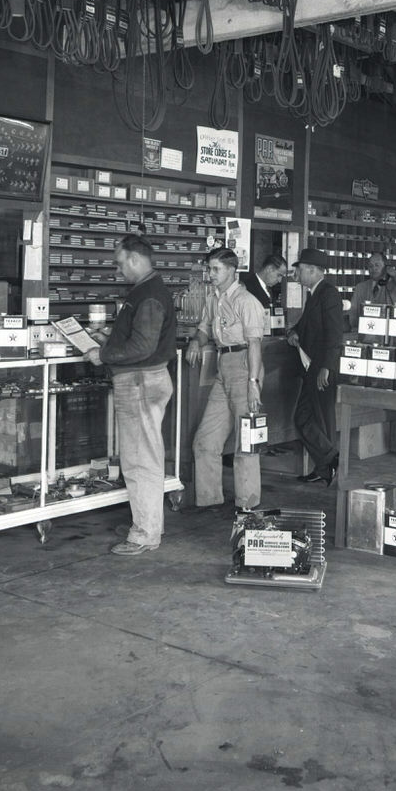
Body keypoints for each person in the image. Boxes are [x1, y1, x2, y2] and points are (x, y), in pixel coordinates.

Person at [87, 235, 177, 556]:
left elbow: (143, 347)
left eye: (120, 262)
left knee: (139, 461)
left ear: (136, 260)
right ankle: (148, 523)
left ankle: (144, 533)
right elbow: (139, 339)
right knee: (144, 456)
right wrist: (110, 339)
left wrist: (105, 354)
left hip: (141, 382)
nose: (118, 269)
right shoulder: (146, 291)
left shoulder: (149, 295)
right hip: (144, 380)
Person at [185, 247, 266, 515]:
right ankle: (209, 501)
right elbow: (204, 329)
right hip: (223, 368)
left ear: (232, 270)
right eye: (209, 269)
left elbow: (255, 343)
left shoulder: (247, 301)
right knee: (205, 440)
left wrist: (253, 382)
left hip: (245, 367)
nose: (211, 274)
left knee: (246, 442)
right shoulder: (213, 299)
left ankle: (248, 503)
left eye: (216, 269)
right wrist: (197, 342)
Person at [287, 246, 345, 486]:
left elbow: (334, 334)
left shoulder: (328, 293)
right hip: (313, 367)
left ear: (312, 270)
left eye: (299, 269)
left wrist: (327, 368)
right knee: (304, 417)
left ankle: (329, 464)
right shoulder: (314, 293)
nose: (296, 274)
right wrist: (293, 332)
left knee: (321, 418)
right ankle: (327, 463)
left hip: (322, 368)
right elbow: (306, 324)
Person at [348, 249, 396, 331]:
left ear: (386, 267)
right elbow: (353, 312)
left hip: (388, 331)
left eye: (377, 265)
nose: (373, 268)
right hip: (365, 330)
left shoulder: (395, 286)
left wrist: (395, 276)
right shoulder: (360, 287)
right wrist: (356, 327)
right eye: (370, 266)